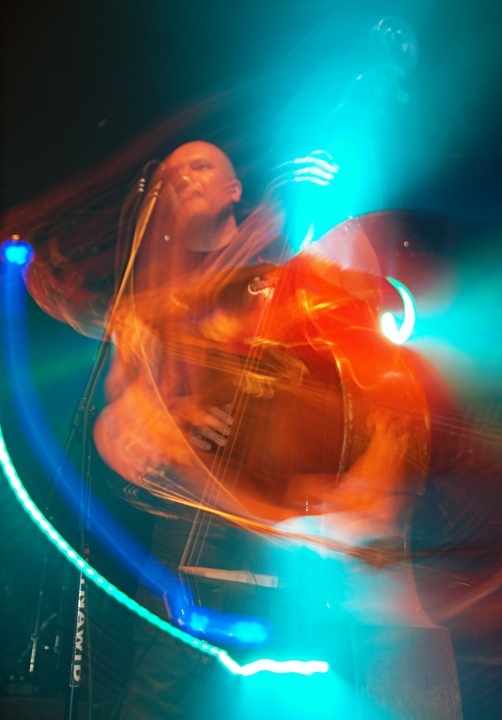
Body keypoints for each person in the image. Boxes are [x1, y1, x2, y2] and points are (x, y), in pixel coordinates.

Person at [93, 141, 457, 719]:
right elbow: (124, 396)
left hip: (285, 507)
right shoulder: (153, 295)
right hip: (197, 507)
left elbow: (368, 360)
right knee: (167, 672)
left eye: (200, 166)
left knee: (287, 675)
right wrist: (161, 415)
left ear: (234, 190)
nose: (183, 178)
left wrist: (365, 480)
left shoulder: (285, 262)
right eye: (171, 173)